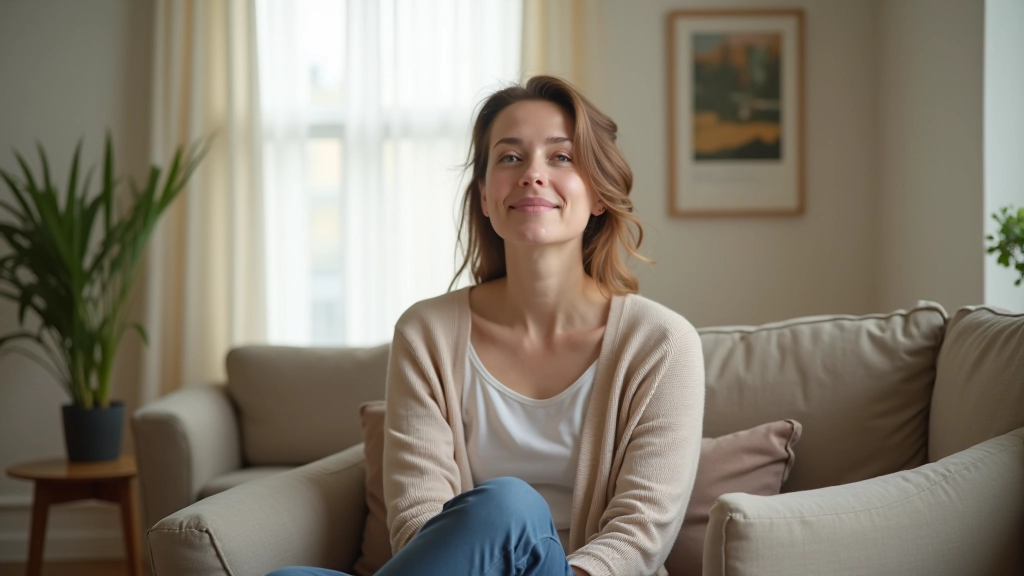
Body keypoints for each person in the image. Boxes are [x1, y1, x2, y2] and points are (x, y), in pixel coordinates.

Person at [267, 76, 704, 576]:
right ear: (483, 195)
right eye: (510, 157)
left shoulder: (662, 344)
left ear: (599, 195)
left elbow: (640, 535)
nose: (532, 174)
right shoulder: (425, 333)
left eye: (560, 157)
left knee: (509, 506)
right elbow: (418, 523)